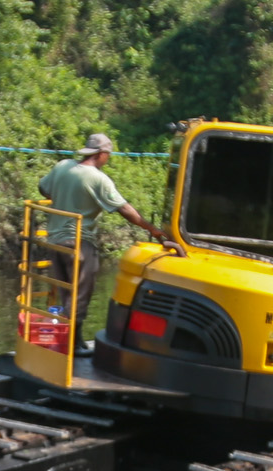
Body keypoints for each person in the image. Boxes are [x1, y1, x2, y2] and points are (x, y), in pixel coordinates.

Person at [30, 133, 172, 332]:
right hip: (79, 242)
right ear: (102, 154)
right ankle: (75, 340)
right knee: (80, 293)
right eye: (108, 154)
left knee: (66, 292)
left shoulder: (63, 166)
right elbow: (124, 209)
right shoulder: (98, 179)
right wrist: (152, 229)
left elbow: (43, 188)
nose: (108, 158)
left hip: (54, 241)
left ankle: (63, 336)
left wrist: (66, 196)